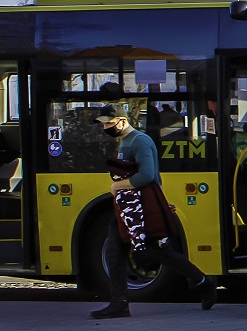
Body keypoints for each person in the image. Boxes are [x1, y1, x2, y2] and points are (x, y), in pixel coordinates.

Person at [91, 109, 216, 319]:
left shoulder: (139, 141)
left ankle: (202, 281)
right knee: (115, 251)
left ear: (122, 121)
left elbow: (148, 175)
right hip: (130, 208)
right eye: (103, 124)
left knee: (155, 251)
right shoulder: (126, 141)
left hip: (139, 208)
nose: (105, 128)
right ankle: (119, 302)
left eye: (108, 123)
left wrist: (117, 186)